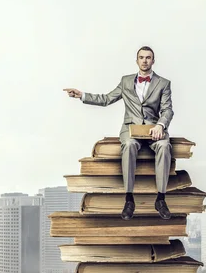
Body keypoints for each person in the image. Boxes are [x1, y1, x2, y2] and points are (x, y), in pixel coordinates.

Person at [63, 46, 174, 220]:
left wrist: (160, 125)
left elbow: (167, 110)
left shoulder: (164, 83)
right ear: (136, 60)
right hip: (131, 129)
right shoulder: (126, 81)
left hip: (154, 130)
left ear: (153, 60)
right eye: (141, 57)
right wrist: (82, 95)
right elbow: (107, 99)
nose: (145, 60)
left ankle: (161, 199)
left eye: (148, 57)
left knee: (165, 146)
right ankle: (129, 200)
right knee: (129, 145)